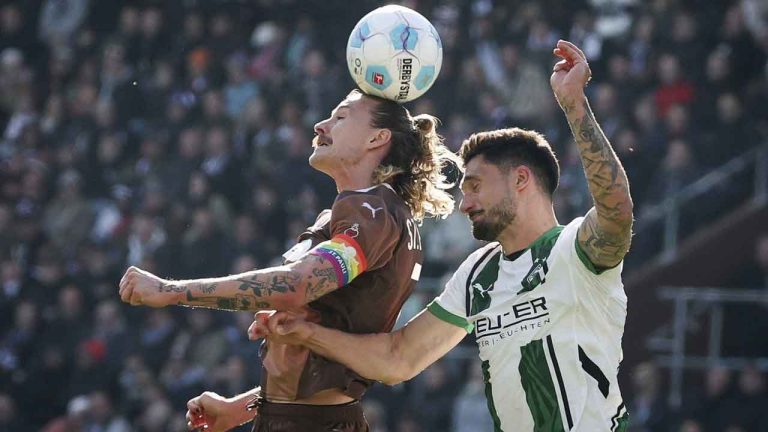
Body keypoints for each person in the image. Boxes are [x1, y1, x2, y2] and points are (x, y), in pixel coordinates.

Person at [253, 40, 634, 431]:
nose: (464, 204)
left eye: (474, 186)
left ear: (521, 179)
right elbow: (399, 358)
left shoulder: (575, 251)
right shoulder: (478, 274)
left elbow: (616, 210)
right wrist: (308, 333)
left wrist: (574, 105)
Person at [118, 89, 460, 431]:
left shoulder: (372, 212)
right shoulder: (359, 212)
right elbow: (322, 351)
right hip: (294, 417)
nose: (321, 125)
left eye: (340, 117)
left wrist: (171, 290)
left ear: (377, 138)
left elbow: (296, 285)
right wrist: (243, 407)